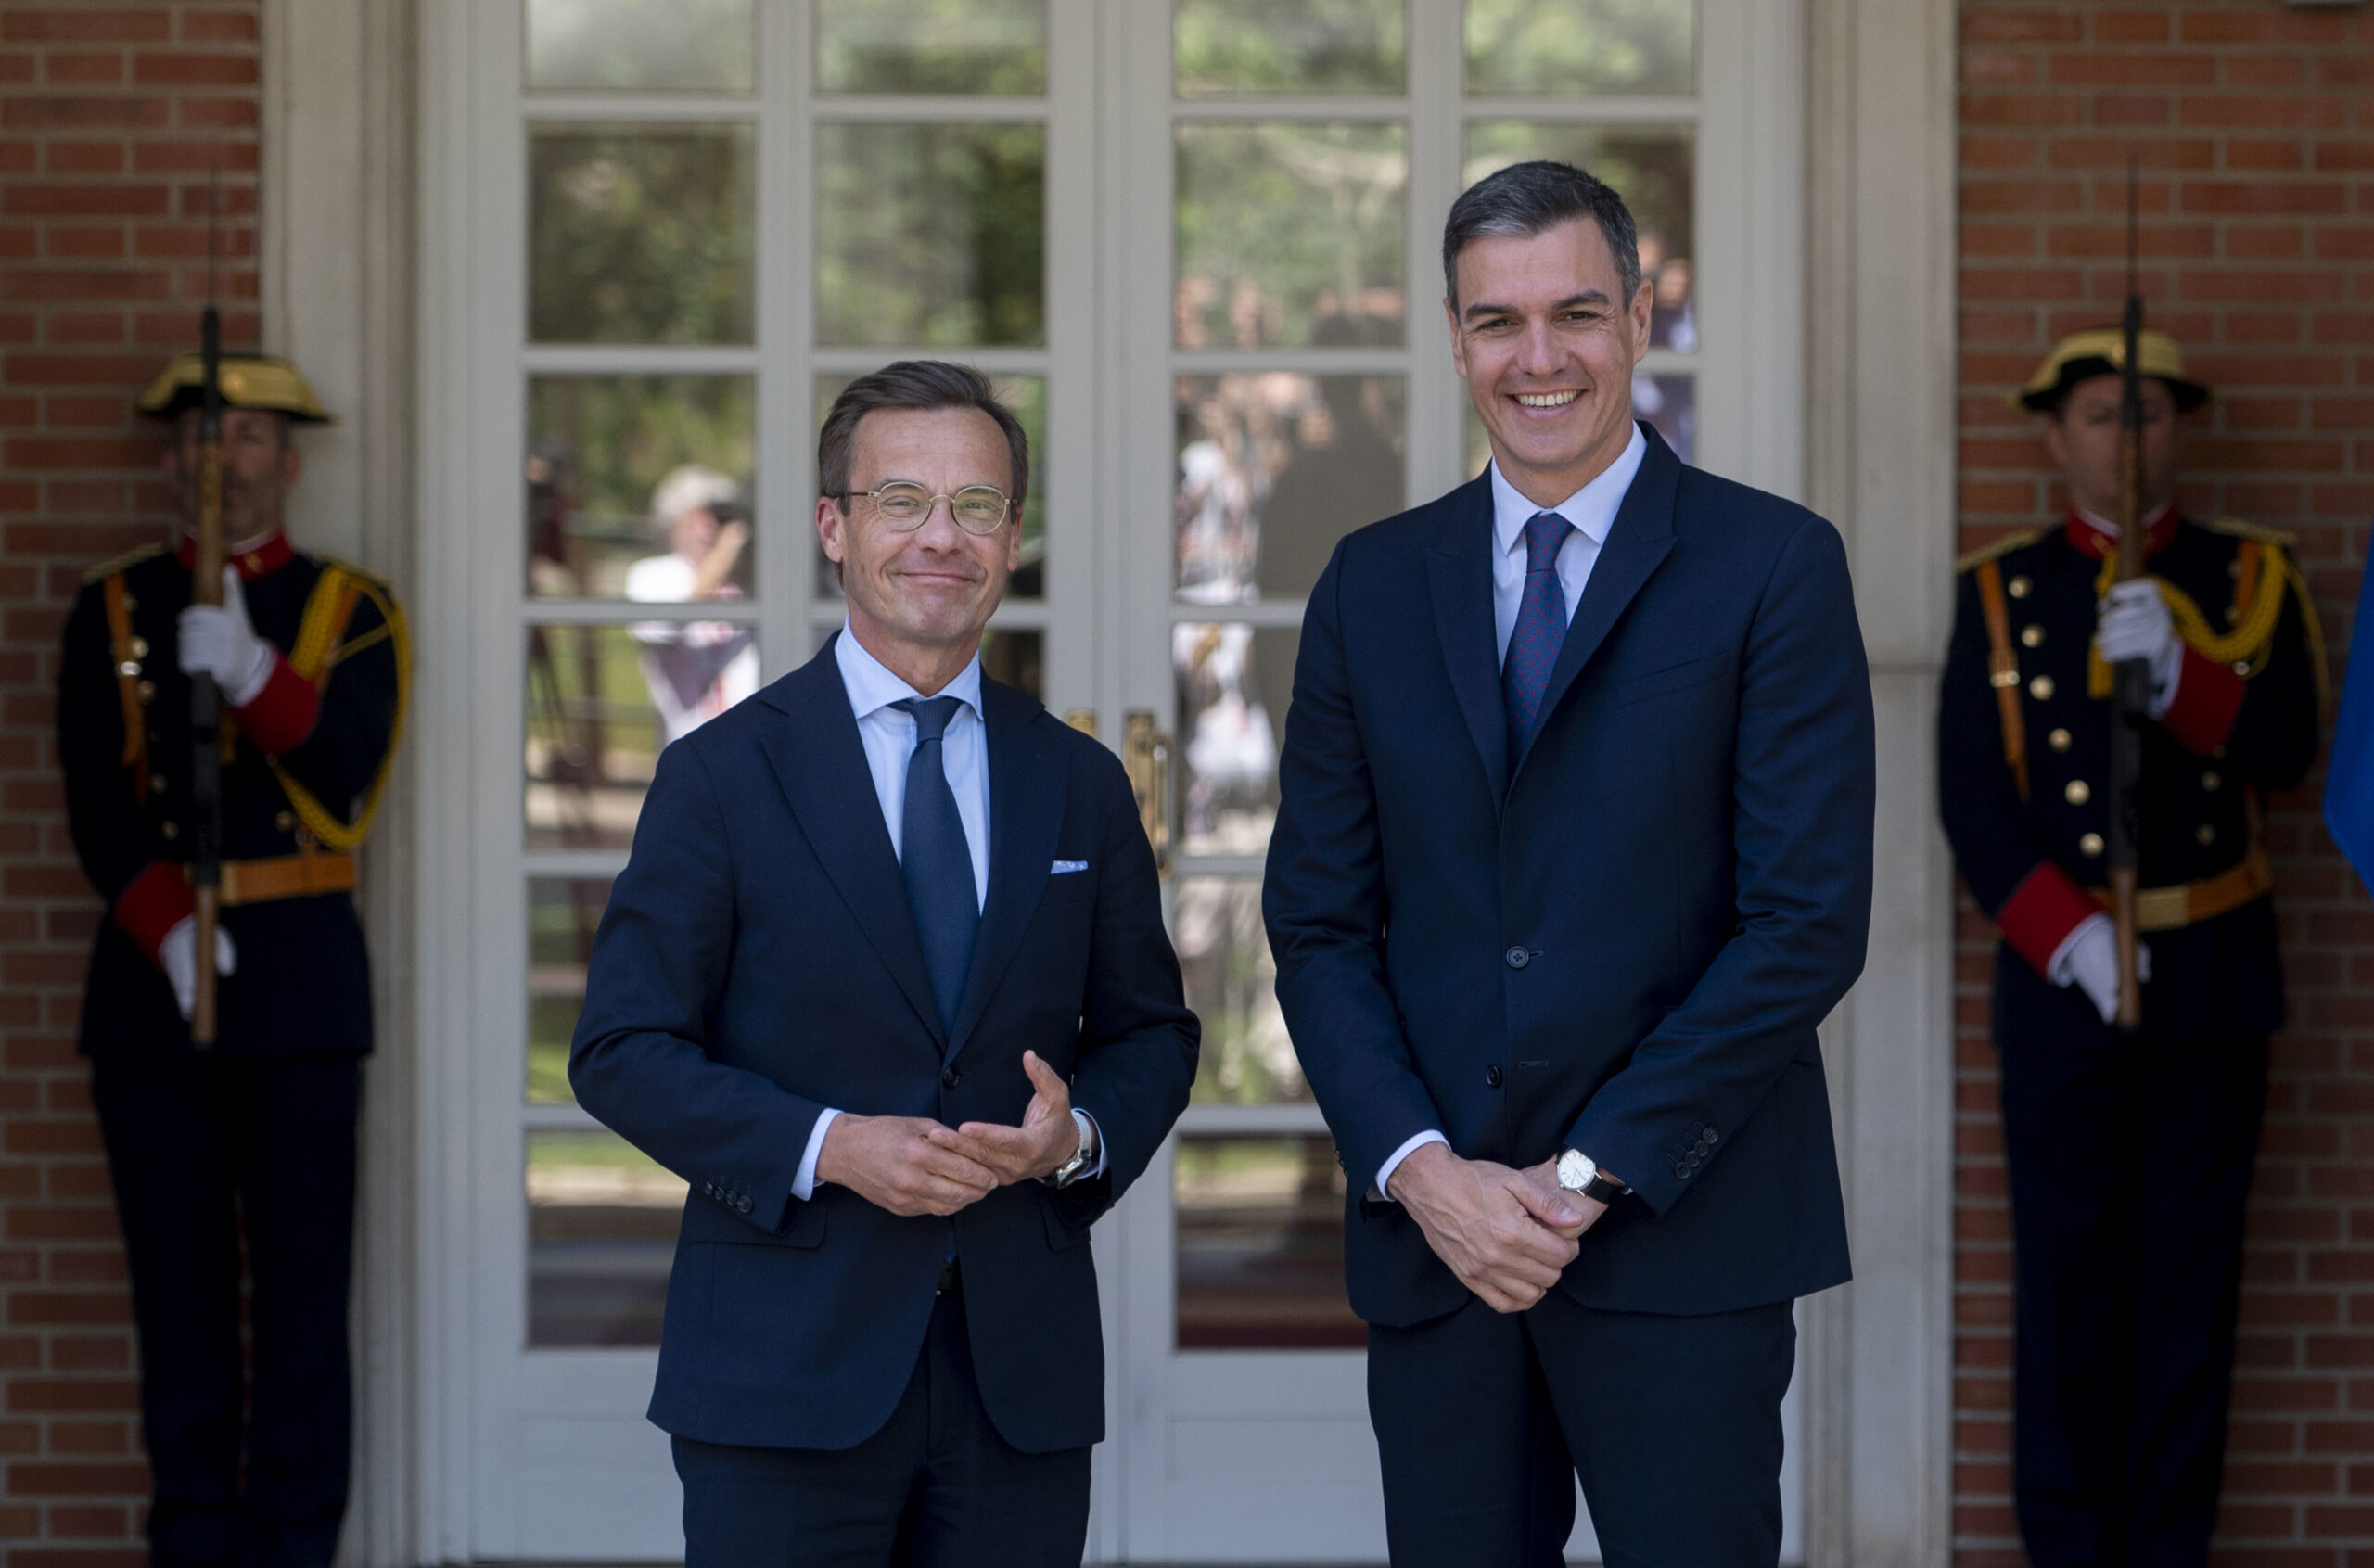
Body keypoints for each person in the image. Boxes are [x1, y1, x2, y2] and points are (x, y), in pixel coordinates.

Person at [1263, 159, 1874, 1564]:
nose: (1537, 358)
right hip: (1441, 1247)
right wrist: (1425, 1170)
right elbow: (1318, 921)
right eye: (1498, 321)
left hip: (1683, 1234)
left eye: (1577, 313)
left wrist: (1581, 1174)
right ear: (1454, 335)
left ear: (1640, 318)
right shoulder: (1370, 581)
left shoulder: (1772, 564)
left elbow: (1802, 923)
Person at [569, 360, 1199, 1566]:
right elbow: (620, 1049)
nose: (940, 537)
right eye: (901, 500)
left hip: (1016, 1382)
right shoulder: (721, 775)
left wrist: (1074, 1137)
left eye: (976, 505)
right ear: (833, 526)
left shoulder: (1077, 782)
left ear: (1011, 535)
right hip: (782, 1371)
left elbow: (1152, 1033)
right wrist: (830, 1145)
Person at [1937, 328, 2323, 1568]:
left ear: (2183, 430)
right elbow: (1972, 801)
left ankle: (2168, 1551)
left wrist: (2183, 678)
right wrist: (2071, 940)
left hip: (2211, 979)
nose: (2127, 438)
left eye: (2148, 412)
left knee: (2188, 1295)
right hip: (2064, 993)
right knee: (2065, 1289)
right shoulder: (2000, 589)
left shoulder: (2247, 575)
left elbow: (2287, 748)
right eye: (2101, 414)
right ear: (2057, 436)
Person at [55, 353, 405, 1568]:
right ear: (172, 462)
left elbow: (348, 773)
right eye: (205, 436)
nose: (225, 458)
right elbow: (94, 794)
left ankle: (296, 1543)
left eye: (250, 436)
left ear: (288, 463)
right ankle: (194, 1543)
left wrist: (256, 674)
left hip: (300, 985)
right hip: (154, 990)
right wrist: (166, 926)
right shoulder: (114, 605)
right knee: (179, 1295)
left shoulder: (348, 608)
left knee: (303, 1299)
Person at [625, 464, 759, 744]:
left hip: (751, 745)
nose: (711, 527)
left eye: (719, 517)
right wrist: (726, 552)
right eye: (700, 516)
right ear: (673, 524)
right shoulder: (652, 576)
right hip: (688, 745)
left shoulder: (749, 582)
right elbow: (660, 626)